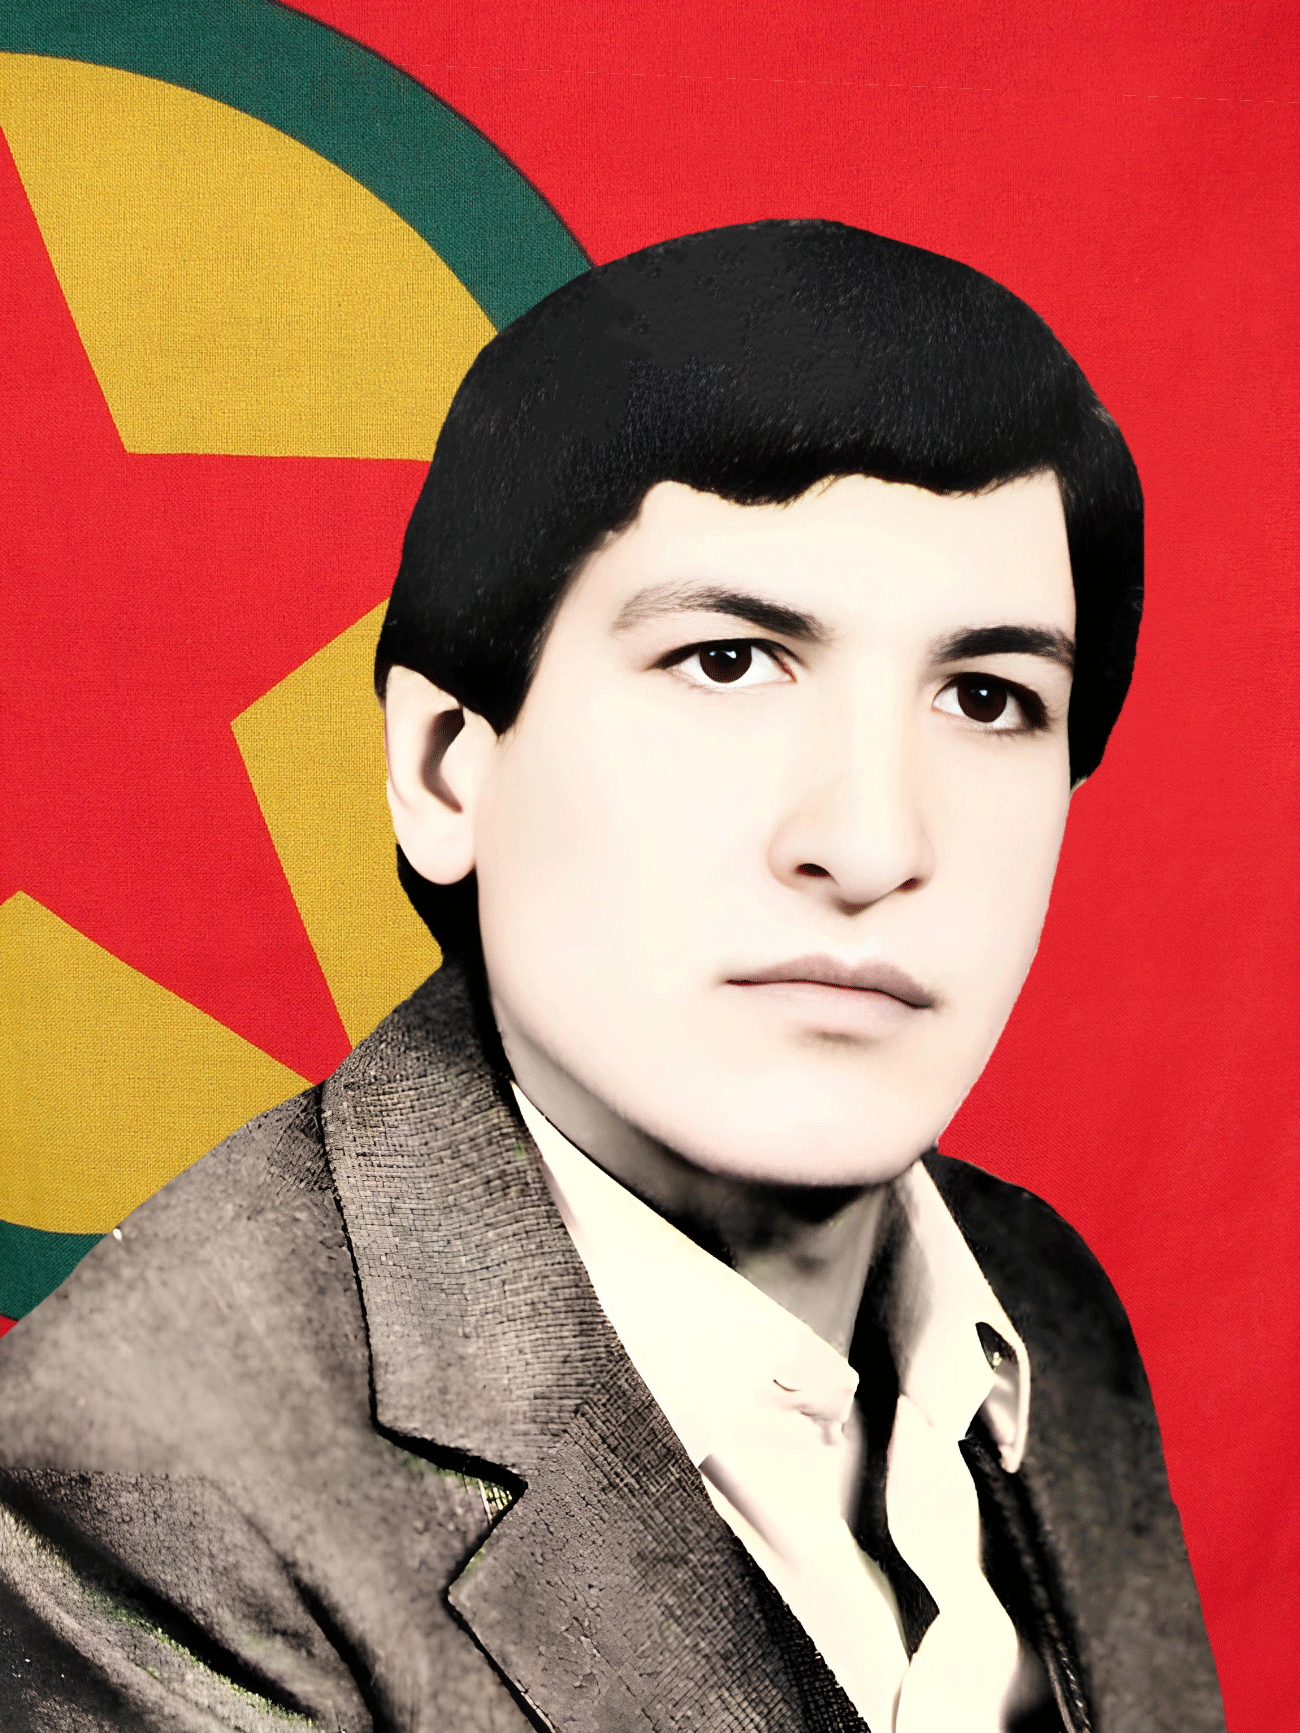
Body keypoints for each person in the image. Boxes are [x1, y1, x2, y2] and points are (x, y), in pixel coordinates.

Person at [0, 221, 1224, 1732]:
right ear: (445, 768)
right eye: (728, 660)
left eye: (985, 697)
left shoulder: (1042, 1304)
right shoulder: (146, 1473)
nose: (870, 842)